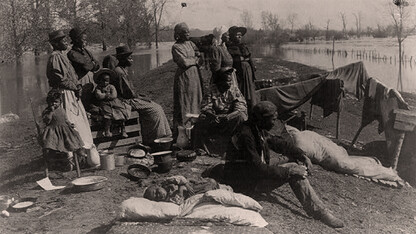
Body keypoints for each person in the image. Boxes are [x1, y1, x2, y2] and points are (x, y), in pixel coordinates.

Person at [224, 101, 344, 228]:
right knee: (293, 168)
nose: (274, 123)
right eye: (273, 119)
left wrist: (302, 155)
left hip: (250, 173)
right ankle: (320, 212)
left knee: (291, 158)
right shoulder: (246, 135)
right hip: (245, 184)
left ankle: (314, 203)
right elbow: (257, 168)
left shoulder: (255, 127)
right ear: (262, 119)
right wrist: (289, 172)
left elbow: (278, 143)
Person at [46, 30, 98, 167]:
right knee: (71, 123)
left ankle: (81, 156)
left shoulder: (62, 56)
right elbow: (60, 79)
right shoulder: (55, 57)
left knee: (79, 122)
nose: (66, 42)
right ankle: (71, 159)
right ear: (55, 43)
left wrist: (76, 86)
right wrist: (75, 87)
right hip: (64, 94)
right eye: (63, 41)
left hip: (70, 93)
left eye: (65, 40)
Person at [112, 45, 172, 146]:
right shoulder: (119, 72)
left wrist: (140, 95)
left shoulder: (122, 70)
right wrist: (140, 97)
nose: (132, 60)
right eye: (129, 58)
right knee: (155, 109)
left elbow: (130, 90)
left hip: (129, 98)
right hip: (124, 101)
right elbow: (128, 94)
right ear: (122, 59)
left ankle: (164, 136)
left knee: (158, 107)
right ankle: (155, 139)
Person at [192, 67, 247, 148]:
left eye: (230, 81)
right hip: (215, 118)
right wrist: (212, 115)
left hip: (230, 116)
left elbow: (240, 107)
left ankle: (233, 143)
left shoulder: (234, 90)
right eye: (227, 81)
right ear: (220, 81)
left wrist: (229, 116)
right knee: (202, 118)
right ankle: (202, 147)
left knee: (241, 117)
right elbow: (205, 107)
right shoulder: (211, 90)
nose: (230, 83)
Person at [171, 22, 203, 135]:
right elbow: (183, 63)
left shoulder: (191, 44)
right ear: (179, 34)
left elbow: (200, 56)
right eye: (185, 32)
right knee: (184, 101)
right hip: (184, 78)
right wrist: (194, 60)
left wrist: (194, 60)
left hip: (195, 76)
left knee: (196, 99)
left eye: (189, 31)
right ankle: (183, 132)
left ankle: (196, 129)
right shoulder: (176, 47)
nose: (188, 34)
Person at [41, 90, 84, 171]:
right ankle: (54, 160)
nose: (54, 104)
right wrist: (51, 111)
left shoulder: (62, 109)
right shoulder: (47, 111)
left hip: (64, 129)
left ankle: (75, 155)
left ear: (60, 102)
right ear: (48, 102)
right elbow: (47, 121)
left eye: (56, 102)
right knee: (51, 143)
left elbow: (66, 119)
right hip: (53, 131)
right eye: (51, 102)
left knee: (73, 137)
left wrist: (69, 124)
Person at [67, 27, 100, 109]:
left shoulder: (87, 51)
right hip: (82, 80)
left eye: (86, 39)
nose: (85, 41)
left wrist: (92, 65)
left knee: (93, 98)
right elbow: (85, 67)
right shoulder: (72, 53)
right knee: (84, 101)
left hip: (91, 79)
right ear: (77, 40)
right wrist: (92, 64)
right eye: (83, 39)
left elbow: (97, 64)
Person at [227, 26, 259, 111]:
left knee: (250, 90)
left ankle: (251, 106)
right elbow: (232, 60)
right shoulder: (230, 47)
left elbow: (249, 58)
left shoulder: (243, 46)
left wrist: (252, 66)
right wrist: (241, 60)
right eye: (237, 35)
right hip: (239, 72)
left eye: (240, 35)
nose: (239, 36)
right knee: (241, 89)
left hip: (248, 71)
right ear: (232, 36)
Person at [93, 69, 131, 138]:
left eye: (107, 81)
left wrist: (105, 95)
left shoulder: (111, 87)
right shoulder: (98, 88)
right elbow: (99, 96)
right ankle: (107, 130)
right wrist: (107, 95)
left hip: (114, 102)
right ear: (99, 80)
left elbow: (114, 95)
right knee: (107, 114)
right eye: (103, 80)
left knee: (121, 112)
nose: (105, 83)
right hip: (104, 103)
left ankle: (123, 130)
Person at [143, 175, 228, 205]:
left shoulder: (166, 183)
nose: (159, 195)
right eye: (157, 197)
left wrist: (185, 184)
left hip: (190, 186)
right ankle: (215, 187)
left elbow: (180, 178)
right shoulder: (168, 200)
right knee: (207, 189)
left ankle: (215, 185)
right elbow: (179, 200)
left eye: (157, 192)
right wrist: (181, 189)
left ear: (158, 186)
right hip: (190, 194)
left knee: (208, 182)